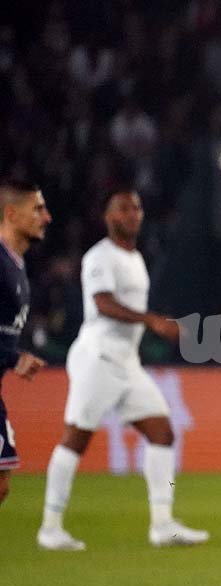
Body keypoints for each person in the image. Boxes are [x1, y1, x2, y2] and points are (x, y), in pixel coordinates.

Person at [37, 188, 208, 551]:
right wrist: (151, 320)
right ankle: (50, 526)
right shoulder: (100, 257)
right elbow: (103, 303)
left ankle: (162, 524)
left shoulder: (136, 258)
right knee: (76, 439)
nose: (132, 214)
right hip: (98, 358)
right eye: (123, 209)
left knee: (163, 433)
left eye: (136, 208)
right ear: (108, 217)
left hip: (127, 362)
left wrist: (151, 322)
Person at [0, 179, 51, 505]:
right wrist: (12, 358)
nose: (47, 217)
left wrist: (12, 356)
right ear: (11, 214)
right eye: (38, 209)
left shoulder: (16, 266)